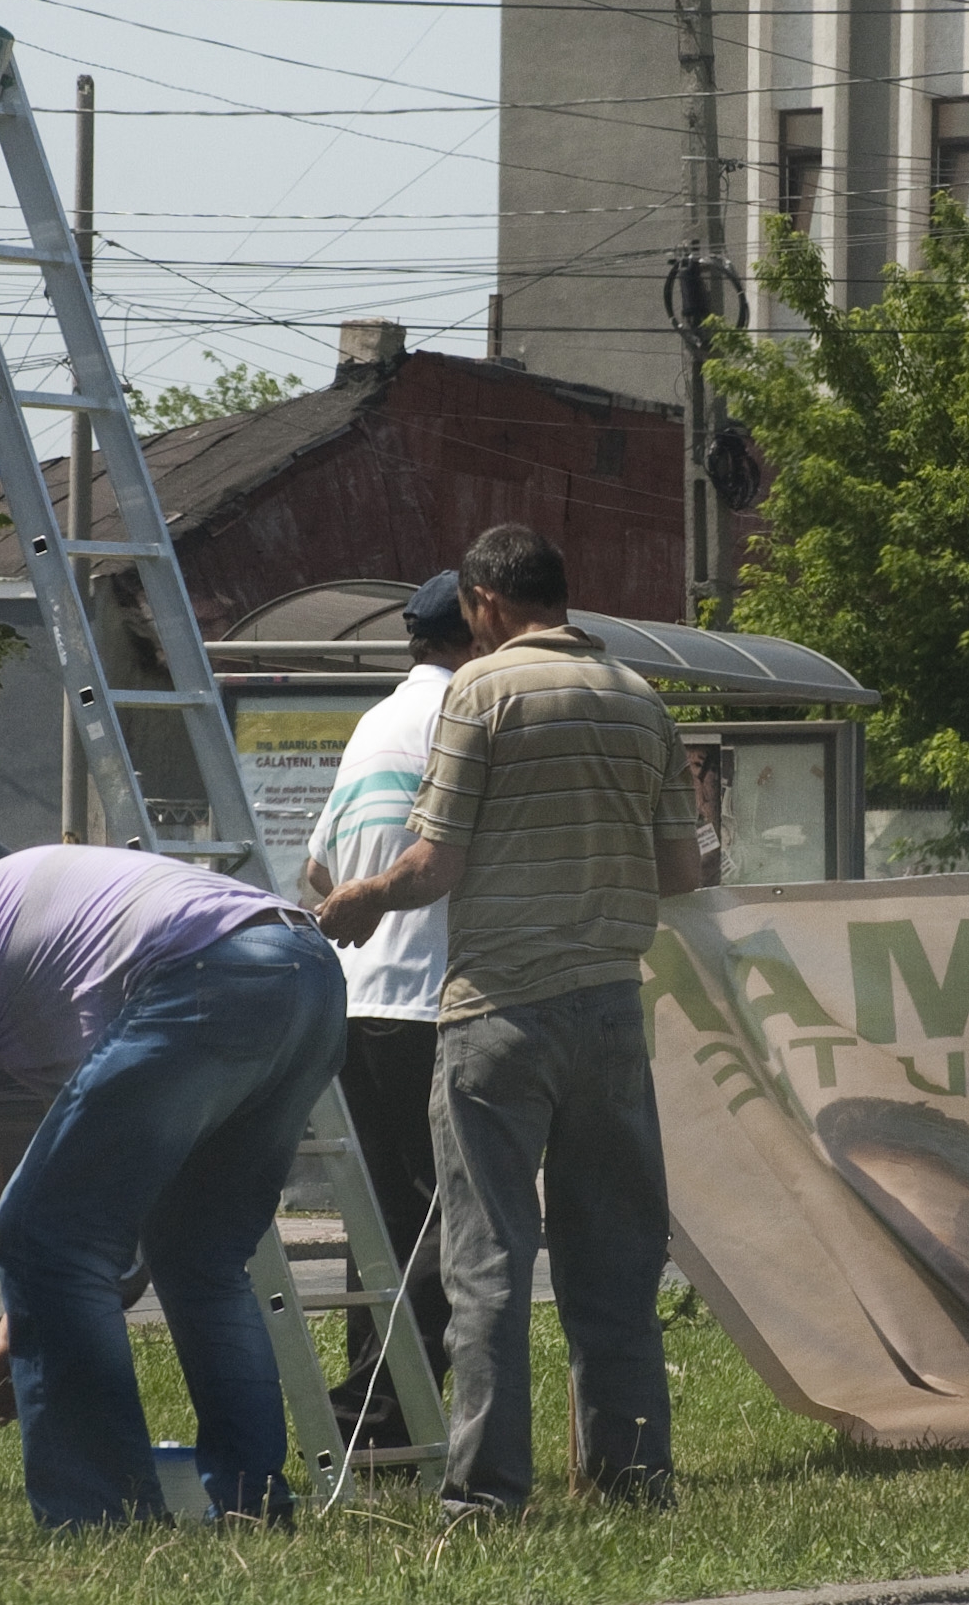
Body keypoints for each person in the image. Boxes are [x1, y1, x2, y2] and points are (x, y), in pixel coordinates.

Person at [315, 523, 698, 1515]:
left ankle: (486, 1495)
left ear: (484, 604)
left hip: (499, 1012)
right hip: (612, 1009)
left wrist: (362, 898)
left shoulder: (479, 692)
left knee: (486, 1260)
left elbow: (434, 863)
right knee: (613, 1260)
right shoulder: (638, 696)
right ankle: (635, 1480)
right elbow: (683, 871)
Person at [0, 845, 345, 1529]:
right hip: (307, 971)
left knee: (29, 1228)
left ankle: (99, 1514)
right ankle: (253, 1504)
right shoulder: (39, 971)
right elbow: (106, 1228)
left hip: (210, 974)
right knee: (198, 1254)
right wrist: (20, 1331)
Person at [298, 568, 470, 1451]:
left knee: (382, 1221)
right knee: (449, 1216)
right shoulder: (464, 714)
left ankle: (381, 1421)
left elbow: (320, 870)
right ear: (476, 631)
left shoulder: (375, 721)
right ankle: (372, 1409)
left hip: (353, 1000)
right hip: (429, 999)